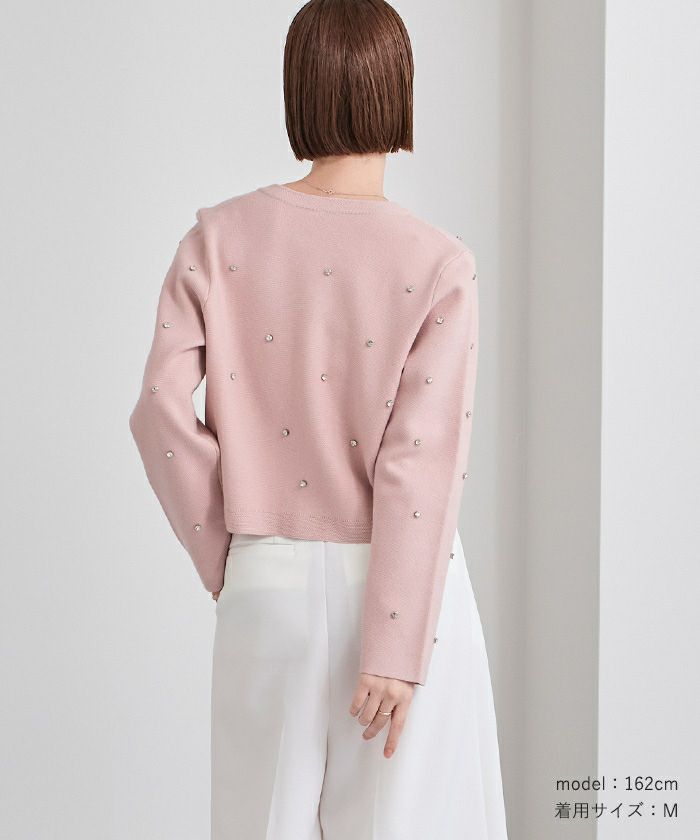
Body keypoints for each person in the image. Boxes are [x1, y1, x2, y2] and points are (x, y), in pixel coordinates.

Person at [129, 0, 508, 837]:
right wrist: (398, 643)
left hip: (266, 587)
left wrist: (231, 552)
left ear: (296, 91)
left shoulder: (216, 239)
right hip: (404, 589)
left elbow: (158, 407)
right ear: (399, 91)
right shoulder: (439, 264)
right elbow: (418, 458)